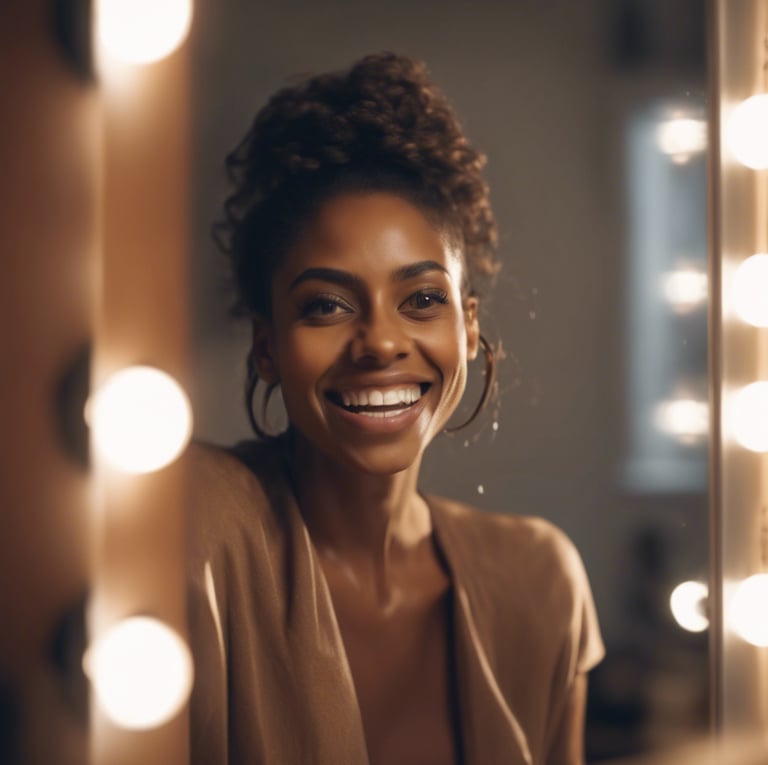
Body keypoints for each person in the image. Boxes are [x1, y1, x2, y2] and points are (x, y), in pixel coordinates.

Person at [187, 52, 604, 765]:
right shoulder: (199, 523)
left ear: (467, 329)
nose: (380, 340)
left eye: (421, 299)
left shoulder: (541, 583)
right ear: (266, 347)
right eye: (326, 304)